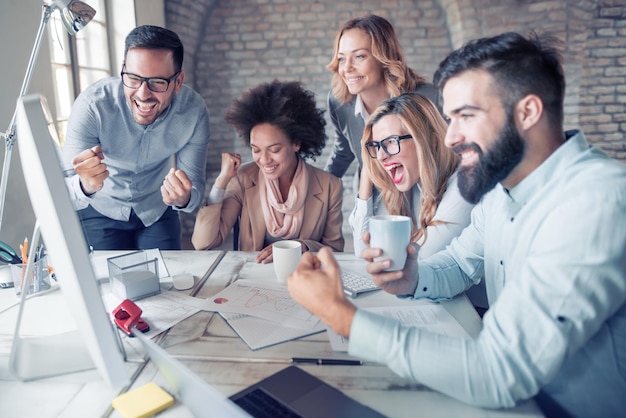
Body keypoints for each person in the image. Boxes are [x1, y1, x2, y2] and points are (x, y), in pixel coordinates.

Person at [288, 31, 626, 417]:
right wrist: (413, 278)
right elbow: (461, 264)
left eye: (466, 116)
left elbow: (500, 371)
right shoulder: (502, 190)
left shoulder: (594, 202)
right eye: (450, 119)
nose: (449, 138)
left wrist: (342, 318)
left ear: (528, 112)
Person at [62, 25, 210, 250]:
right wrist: (85, 185)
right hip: (100, 208)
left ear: (178, 82)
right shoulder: (92, 105)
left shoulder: (194, 112)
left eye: (157, 82)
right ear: (123, 69)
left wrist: (183, 198)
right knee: (106, 284)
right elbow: (64, 193)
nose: (143, 94)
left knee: (167, 281)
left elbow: (195, 188)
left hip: (157, 211)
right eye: (133, 78)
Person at [191, 80, 344, 263]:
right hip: (255, 277)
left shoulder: (329, 186)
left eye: (274, 150)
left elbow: (335, 251)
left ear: (296, 143)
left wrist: (303, 247)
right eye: (256, 150)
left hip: (305, 277)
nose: (264, 160)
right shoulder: (244, 179)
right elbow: (203, 243)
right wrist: (221, 181)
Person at [349, 92, 474, 258]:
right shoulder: (408, 184)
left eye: (392, 141)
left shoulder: (464, 183)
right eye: (376, 146)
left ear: (428, 140)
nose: (380, 156)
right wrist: (366, 172)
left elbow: (420, 259)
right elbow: (364, 253)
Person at [324, 15, 439, 183]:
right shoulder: (339, 102)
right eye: (341, 58)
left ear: (383, 57)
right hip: (372, 194)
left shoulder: (429, 97)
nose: (347, 68)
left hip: (427, 190)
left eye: (359, 56)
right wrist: (316, 190)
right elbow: (344, 151)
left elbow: (449, 154)